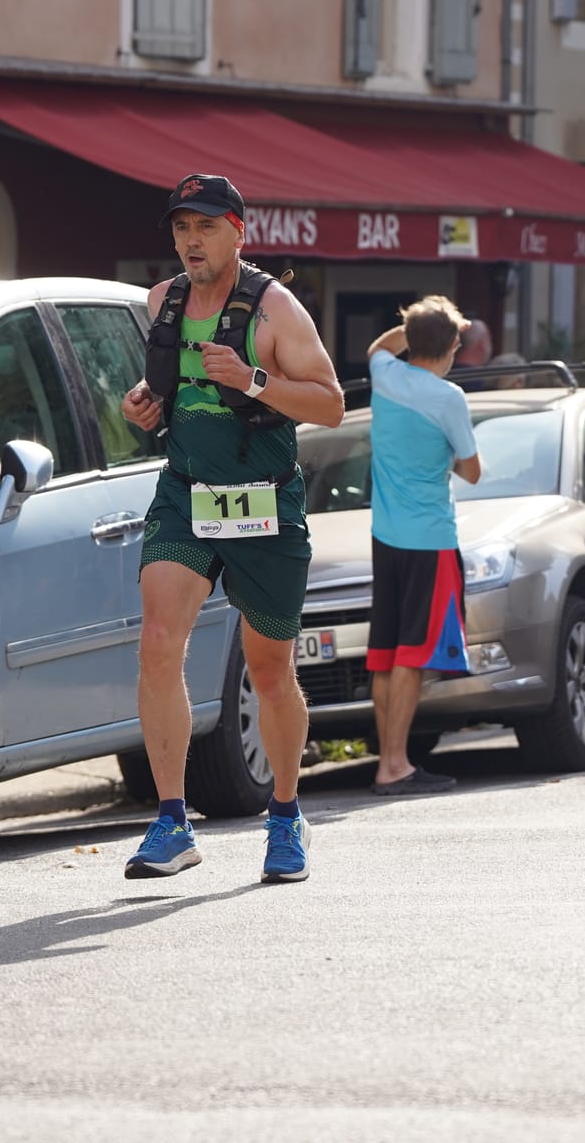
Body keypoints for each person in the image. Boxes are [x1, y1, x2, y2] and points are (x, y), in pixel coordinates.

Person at [119, 173, 345, 884]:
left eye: (207, 226)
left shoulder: (276, 309)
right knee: (159, 642)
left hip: (263, 500)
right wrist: (144, 402)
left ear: (238, 233)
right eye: (182, 227)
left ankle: (285, 814)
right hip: (187, 492)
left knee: (270, 669)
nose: (192, 240)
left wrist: (252, 380)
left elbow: (331, 404)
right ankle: (172, 820)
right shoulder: (162, 301)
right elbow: (168, 387)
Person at [362, 297, 481, 797]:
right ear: (451, 346)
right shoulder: (449, 397)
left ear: (411, 340)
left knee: (386, 653)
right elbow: (472, 470)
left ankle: (390, 762)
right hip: (429, 540)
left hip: (385, 537)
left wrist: (414, 325)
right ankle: (394, 764)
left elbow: (378, 347)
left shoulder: (385, 375)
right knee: (412, 653)